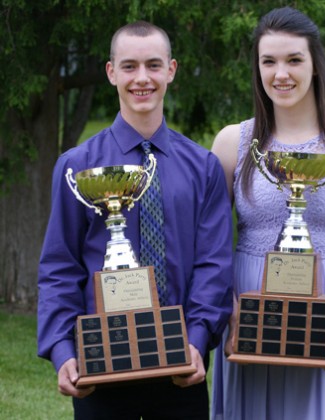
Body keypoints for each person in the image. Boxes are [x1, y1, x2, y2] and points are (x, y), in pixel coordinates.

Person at [37, 20, 233, 419]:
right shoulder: (77, 168)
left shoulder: (203, 167)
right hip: (100, 369)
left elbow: (213, 265)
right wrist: (62, 350)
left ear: (171, 70)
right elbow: (60, 266)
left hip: (181, 368)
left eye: (153, 65)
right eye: (129, 66)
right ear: (111, 73)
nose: (141, 78)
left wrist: (196, 341)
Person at [211, 7, 325, 420]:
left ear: (315, 64)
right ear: (256, 68)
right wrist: (231, 312)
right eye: (268, 61)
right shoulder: (232, 143)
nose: (281, 73)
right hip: (251, 315)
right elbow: (213, 246)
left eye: (293, 60)